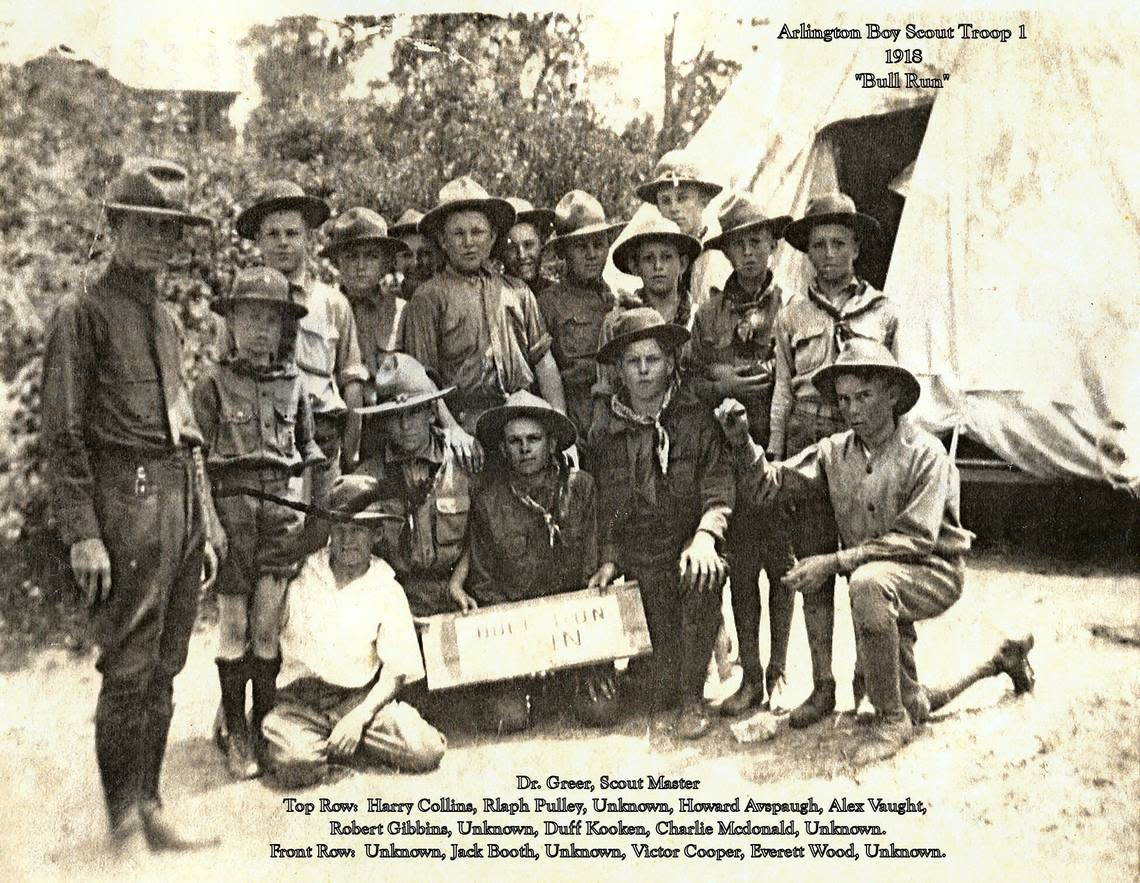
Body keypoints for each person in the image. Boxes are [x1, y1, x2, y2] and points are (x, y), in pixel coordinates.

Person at [716, 340, 1035, 764]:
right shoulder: (835, 451)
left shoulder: (926, 454)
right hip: (882, 577)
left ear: (893, 396)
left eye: (864, 396)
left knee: (866, 586)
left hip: (931, 570)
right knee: (915, 700)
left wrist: (834, 562)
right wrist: (742, 444)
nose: (852, 409)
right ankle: (999, 660)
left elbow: (917, 539)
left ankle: (890, 721)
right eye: (844, 399)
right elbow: (768, 486)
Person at [41, 158, 223, 850]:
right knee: (127, 663)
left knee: (167, 663)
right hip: (124, 500)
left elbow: (188, 431)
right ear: (115, 225)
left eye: (168, 230)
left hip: (175, 500)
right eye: (143, 225)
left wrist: (200, 521)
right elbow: (61, 434)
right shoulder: (80, 314)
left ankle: (150, 802)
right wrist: (83, 533)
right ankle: (120, 818)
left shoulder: (169, 319)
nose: (156, 240)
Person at [765, 192, 900, 728]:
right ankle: (822, 684)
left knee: (866, 563)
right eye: (817, 245)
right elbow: (781, 392)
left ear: (857, 248)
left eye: (838, 244)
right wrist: (775, 461)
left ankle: (869, 677)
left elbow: (896, 390)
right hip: (808, 446)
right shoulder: (792, 316)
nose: (827, 255)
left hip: (864, 449)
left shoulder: (884, 312)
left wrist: (893, 456)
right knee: (814, 567)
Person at [193, 267, 326, 780]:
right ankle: (235, 731)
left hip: (279, 515)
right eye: (248, 319)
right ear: (231, 325)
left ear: (285, 329)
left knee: (268, 627)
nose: (259, 331)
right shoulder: (212, 383)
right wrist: (211, 526)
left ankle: (263, 725)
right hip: (231, 512)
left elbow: (311, 452)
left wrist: (311, 519)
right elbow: (196, 461)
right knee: (234, 627)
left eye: (271, 321)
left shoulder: (295, 385)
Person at [587, 308, 733, 739]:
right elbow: (607, 507)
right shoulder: (608, 431)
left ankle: (693, 698)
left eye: (653, 359)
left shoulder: (695, 419)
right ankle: (664, 672)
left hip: (686, 547)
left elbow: (718, 490)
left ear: (670, 363)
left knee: (706, 572)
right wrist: (611, 560)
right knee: (654, 686)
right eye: (634, 362)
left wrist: (706, 537)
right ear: (620, 371)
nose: (645, 370)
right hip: (641, 559)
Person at [261, 475, 447, 786]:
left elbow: (396, 671)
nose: (349, 540)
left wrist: (359, 718)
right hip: (300, 701)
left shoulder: (386, 587)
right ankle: (308, 742)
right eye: (342, 528)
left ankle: (343, 739)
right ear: (330, 530)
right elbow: (262, 641)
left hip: (358, 701)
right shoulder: (301, 574)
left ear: (376, 534)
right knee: (296, 764)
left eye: (359, 530)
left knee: (425, 750)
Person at [450, 391, 618, 732]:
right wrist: (526, 649)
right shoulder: (488, 503)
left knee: (602, 710)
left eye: (534, 439)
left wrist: (606, 569)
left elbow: (594, 562)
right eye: (514, 441)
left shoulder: (580, 488)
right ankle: (531, 688)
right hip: (519, 637)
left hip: (574, 634)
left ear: (552, 443)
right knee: (507, 719)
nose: (524, 448)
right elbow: (484, 582)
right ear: (502, 449)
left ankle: (571, 680)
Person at [690, 192, 793, 715]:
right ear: (726, 252)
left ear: (773, 244)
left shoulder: (790, 306)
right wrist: (719, 379)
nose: (749, 252)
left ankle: (780, 672)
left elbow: (799, 376)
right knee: (743, 566)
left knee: (784, 566)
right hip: (729, 455)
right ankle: (749, 675)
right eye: (739, 244)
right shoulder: (709, 313)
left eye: (758, 240)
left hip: (776, 452)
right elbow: (688, 377)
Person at [236, 180, 368, 551]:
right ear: (258, 241)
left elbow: (351, 379)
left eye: (292, 233)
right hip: (262, 443)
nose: (282, 242)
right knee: (269, 550)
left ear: (308, 238)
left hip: (322, 441)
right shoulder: (241, 303)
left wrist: (351, 450)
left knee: (319, 543)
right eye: (272, 234)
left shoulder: (332, 302)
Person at [400, 175, 567, 457]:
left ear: (491, 238)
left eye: (477, 232)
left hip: (519, 423)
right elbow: (422, 380)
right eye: (458, 234)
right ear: (442, 240)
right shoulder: (428, 299)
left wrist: (559, 424)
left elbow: (543, 361)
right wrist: (452, 429)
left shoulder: (517, 291)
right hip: (466, 429)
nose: (468, 242)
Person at [354, 353, 473, 619]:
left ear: (432, 413)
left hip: (459, 592)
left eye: (414, 412)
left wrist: (458, 582)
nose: (405, 425)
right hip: (394, 599)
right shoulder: (367, 479)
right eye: (395, 416)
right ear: (384, 421)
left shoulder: (462, 465)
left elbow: (480, 536)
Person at [592, 210, 701, 432]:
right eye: (648, 258)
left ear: (682, 264)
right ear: (635, 266)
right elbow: (606, 389)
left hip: (691, 433)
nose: (658, 266)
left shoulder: (698, 317)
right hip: (631, 434)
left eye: (666, 257)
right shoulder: (616, 322)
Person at [535, 190, 624, 441]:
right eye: (581, 246)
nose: (592, 253)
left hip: (621, 420)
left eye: (599, 244)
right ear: (563, 251)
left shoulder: (619, 300)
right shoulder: (548, 304)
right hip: (576, 421)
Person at [321, 207, 409, 460]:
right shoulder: (325, 309)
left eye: (370, 257)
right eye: (351, 256)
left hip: (389, 437)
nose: (360, 266)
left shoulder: (401, 312)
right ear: (337, 262)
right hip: (333, 437)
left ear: (385, 263)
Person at [634, 149, 731, 307]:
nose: (674, 208)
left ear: (703, 201)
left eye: (682, 198)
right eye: (666, 201)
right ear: (658, 208)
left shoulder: (715, 257)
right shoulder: (655, 258)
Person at [500, 197, 557, 296]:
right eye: (512, 248)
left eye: (528, 245)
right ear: (501, 252)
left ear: (541, 245)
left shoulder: (556, 295)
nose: (522, 255)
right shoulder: (494, 295)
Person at [390, 208, 445, 301]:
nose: (415, 263)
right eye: (407, 255)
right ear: (395, 262)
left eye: (425, 253)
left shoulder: (448, 301)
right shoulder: (388, 305)